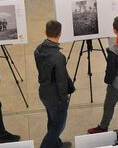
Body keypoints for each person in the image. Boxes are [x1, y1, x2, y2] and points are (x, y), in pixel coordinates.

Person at [35, 20, 76, 148]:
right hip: (55, 97)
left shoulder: (38, 50)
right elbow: (61, 82)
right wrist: (64, 99)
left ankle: (56, 145)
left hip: (44, 92)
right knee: (58, 126)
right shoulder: (58, 57)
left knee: (52, 121)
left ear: (45, 32)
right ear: (60, 34)